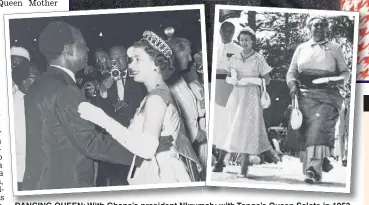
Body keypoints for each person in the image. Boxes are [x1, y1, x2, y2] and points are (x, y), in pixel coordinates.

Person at [22, 21, 172, 190]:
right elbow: (91, 142)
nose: (88, 50)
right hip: (65, 184)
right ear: (68, 50)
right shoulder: (65, 89)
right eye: (83, 45)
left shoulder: (39, 84)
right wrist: (142, 152)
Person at [78, 30, 202, 184]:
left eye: (137, 59)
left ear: (156, 64)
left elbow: (145, 149)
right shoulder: (156, 93)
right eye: (131, 60)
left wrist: (101, 118)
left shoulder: (156, 98)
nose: (131, 65)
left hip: (161, 175)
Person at [286, 16, 350, 184]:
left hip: (327, 96)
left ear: (326, 28)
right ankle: (316, 168)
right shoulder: (301, 48)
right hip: (305, 95)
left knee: (319, 125)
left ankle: (313, 169)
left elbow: (345, 73)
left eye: (322, 25)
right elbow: (291, 72)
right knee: (305, 132)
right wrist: (292, 85)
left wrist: (335, 80)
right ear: (310, 27)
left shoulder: (335, 48)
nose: (319, 28)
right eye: (315, 25)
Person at [213, 27, 275, 177]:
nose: (244, 42)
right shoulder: (235, 57)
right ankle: (220, 162)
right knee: (230, 126)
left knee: (247, 129)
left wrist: (251, 80)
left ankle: (244, 168)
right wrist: (232, 79)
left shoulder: (258, 58)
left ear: (253, 41)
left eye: (247, 39)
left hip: (252, 96)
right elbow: (228, 76)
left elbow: (267, 79)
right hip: (236, 95)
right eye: (241, 40)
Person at [95, 46, 147, 186]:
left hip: (137, 136)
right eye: (113, 59)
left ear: (126, 58)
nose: (117, 62)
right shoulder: (104, 80)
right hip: (115, 139)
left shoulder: (138, 77)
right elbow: (100, 110)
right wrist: (104, 90)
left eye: (120, 58)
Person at [167, 37, 207, 180]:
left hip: (189, 140)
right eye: (187, 54)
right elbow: (178, 111)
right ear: (176, 55)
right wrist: (195, 131)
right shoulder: (169, 80)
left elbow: (188, 104)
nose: (190, 59)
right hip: (180, 143)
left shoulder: (179, 77)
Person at [10, 46, 31, 191]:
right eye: (11, 63)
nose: (13, 68)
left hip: (22, 174)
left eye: (19, 65)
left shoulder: (23, 99)